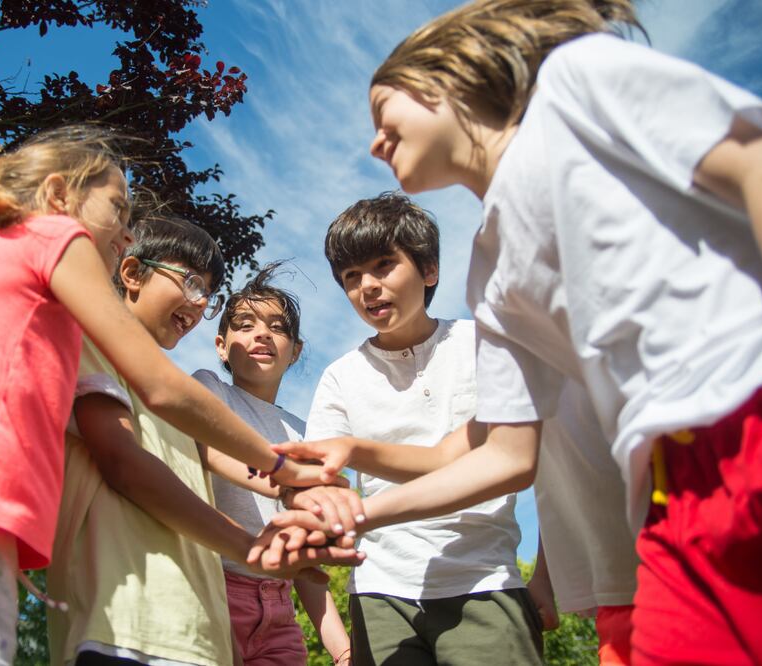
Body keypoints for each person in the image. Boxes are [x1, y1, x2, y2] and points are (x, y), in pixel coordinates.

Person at [270, 1, 762, 663]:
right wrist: (355, 515)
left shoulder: (575, 84)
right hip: (665, 490)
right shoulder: (491, 269)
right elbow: (506, 456)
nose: (374, 141)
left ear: (446, 82)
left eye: (383, 111)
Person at [0, 125, 338, 665]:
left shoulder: (29, 300)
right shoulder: (51, 237)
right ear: (59, 196)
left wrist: (287, 480)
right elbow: (158, 388)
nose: (127, 235)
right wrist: (277, 466)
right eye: (119, 211)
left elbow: (191, 436)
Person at [47, 219, 360, 666]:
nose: (198, 302)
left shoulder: (171, 395)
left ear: (296, 349)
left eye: (206, 294)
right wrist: (260, 531)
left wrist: (299, 485)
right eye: (191, 282)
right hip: (125, 618)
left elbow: (212, 458)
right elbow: (136, 460)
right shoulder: (176, 384)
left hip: (200, 617)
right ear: (131, 272)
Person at [305, 193, 542, 665]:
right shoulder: (340, 376)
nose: (367, 286)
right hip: (380, 590)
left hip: (484, 577)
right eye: (352, 277)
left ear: (429, 269)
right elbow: (316, 477)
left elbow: (530, 461)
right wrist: (310, 505)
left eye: (383, 265)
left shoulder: (484, 345)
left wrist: (547, 578)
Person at [193, 264, 353, 666]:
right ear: (220, 345)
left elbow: (307, 567)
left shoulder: (304, 434)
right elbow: (207, 451)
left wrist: (343, 649)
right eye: (244, 325)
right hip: (213, 590)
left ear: (295, 350)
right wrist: (282, 481)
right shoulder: (210, 390)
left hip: (279, 611)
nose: (261, 333)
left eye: (277, 327)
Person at [529, 381, 638, 665]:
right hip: (618, 590)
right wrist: (543, 575)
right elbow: (561, 486)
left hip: (692, 556)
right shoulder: (511, 356)